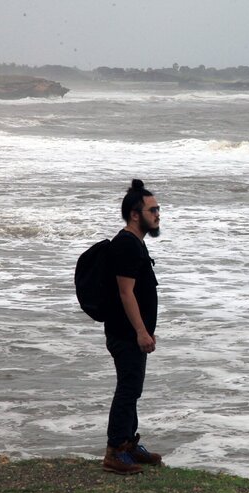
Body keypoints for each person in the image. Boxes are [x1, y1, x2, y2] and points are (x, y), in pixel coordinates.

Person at [102, 179, 163, 475]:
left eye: (158, 209)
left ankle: (127, 443)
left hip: (132, 333)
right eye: (152, 210)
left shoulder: (134, 242)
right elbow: (126, 293)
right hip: (126, 334)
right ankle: (115, 451)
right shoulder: (127, 244)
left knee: (132, 388)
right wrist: (140, 331)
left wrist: (145, 329)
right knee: (128, 389)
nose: (158, 214)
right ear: (135, 215)